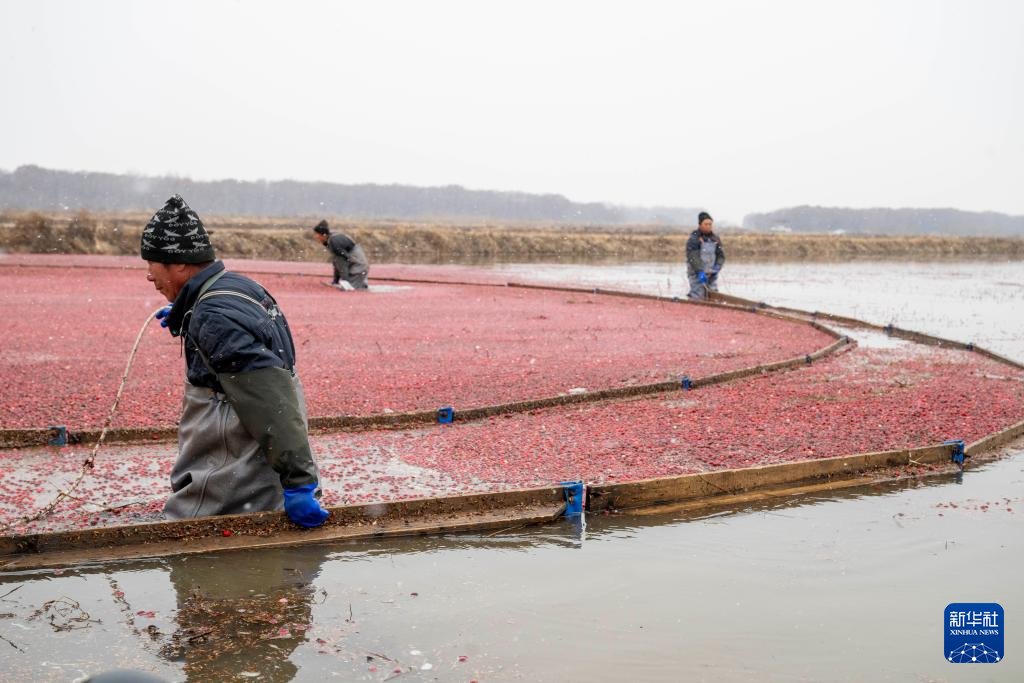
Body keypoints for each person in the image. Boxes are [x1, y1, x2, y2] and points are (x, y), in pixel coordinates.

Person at [142, 194, 329, 527]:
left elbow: (272, 401)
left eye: (152, 264)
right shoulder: (238, 287)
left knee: (194, 562)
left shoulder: (214, 317)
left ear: (180, 264)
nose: (149, 276)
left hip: (225, 485)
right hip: (257, 479)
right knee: (275, 571)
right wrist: (187, 313)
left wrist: (300, 483)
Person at [312, 220, 370, 290]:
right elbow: (337, 263)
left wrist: (345, 282)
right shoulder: (330, 239)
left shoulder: (334, 242)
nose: (314, 236)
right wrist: (335, 281)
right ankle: (349, 283)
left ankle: (349, 283)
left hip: (358, 268)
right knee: (336, 260)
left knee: (353, 288)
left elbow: (343, 260)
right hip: (358, 267)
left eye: (316, 234)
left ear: (322, 235)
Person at [686, 211, 726, 299]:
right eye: (706, 224)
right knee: (697, 295)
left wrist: (717, 266)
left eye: (710, 224)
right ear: (700, 224)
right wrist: (700, 271)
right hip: (697, 273)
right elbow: (693, 256)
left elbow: (721, 256)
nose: (708, 226)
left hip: (711, 272)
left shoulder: (715, 238)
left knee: (713, 295)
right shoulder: (694, 238)